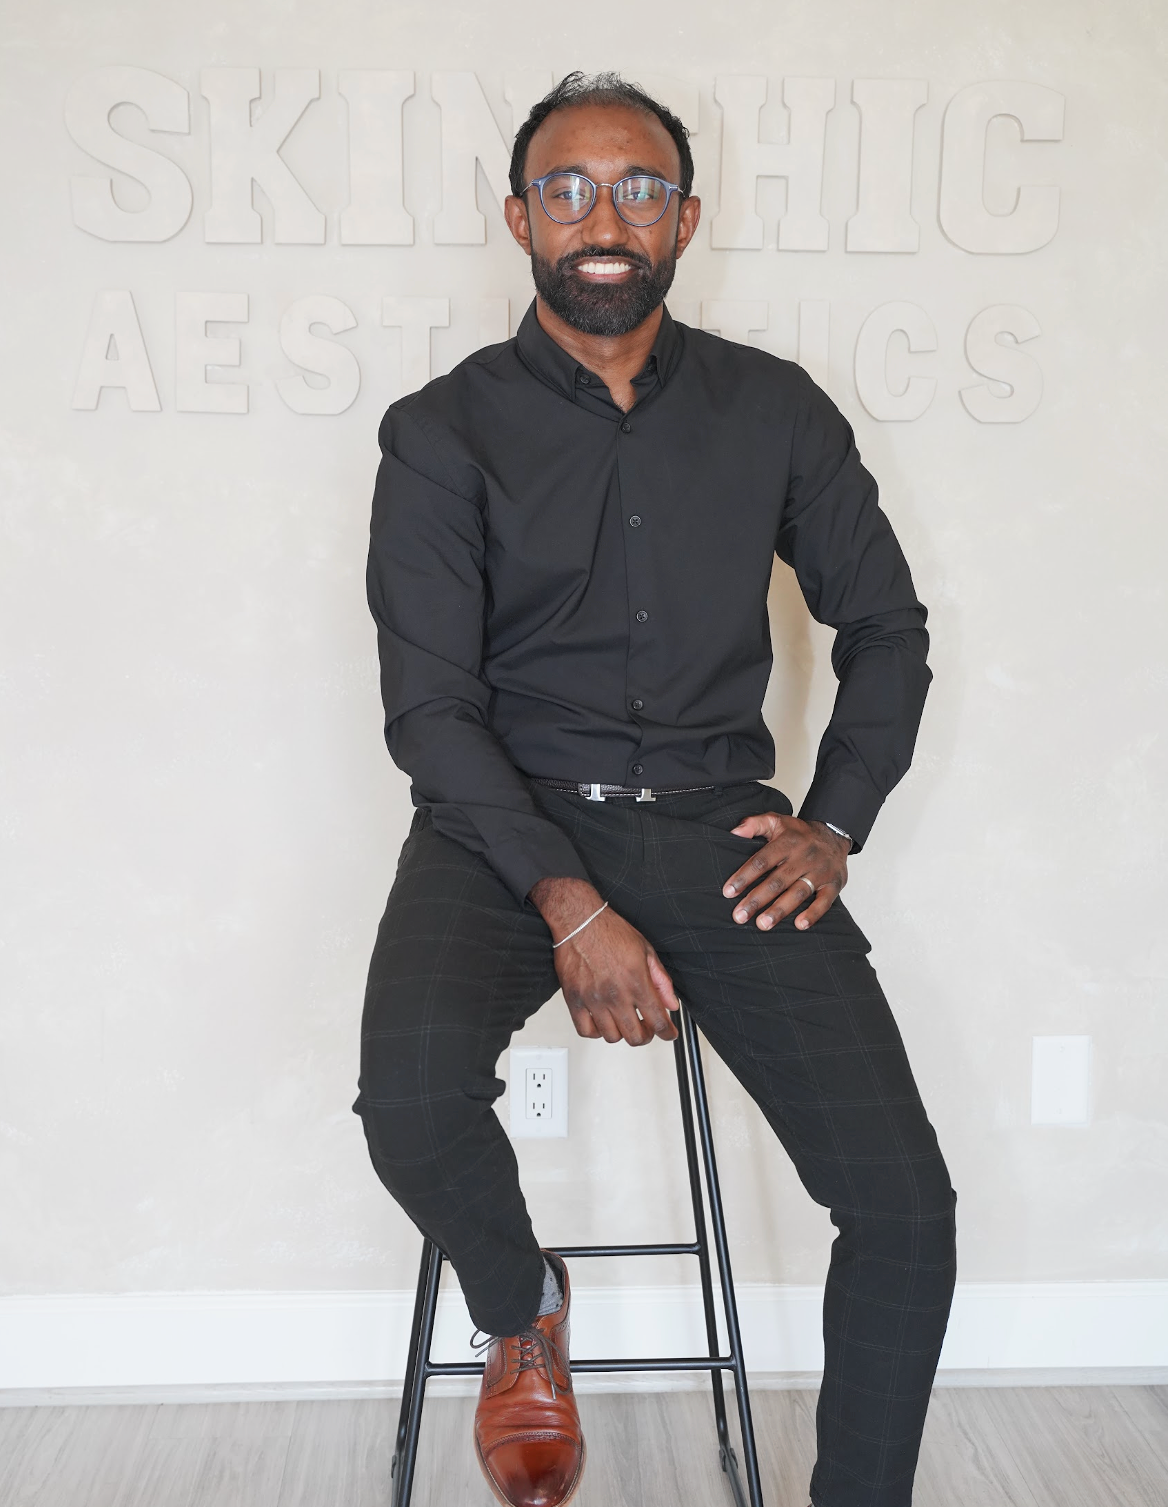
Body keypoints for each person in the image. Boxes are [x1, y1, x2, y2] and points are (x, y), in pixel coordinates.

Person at [353, 71, 956, 1507]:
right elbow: (430, 710)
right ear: (520, 219)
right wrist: (570, 907)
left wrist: (835, 820)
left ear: (685, 217)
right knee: (411, 1098)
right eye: (567, 189)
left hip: (714, 825)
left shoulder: (776, 410)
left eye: (638, 189)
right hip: (500, 829)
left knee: (904, 1208)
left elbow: (885, 627)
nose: (603, 219)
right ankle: (523, 1308)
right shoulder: (440, 431)